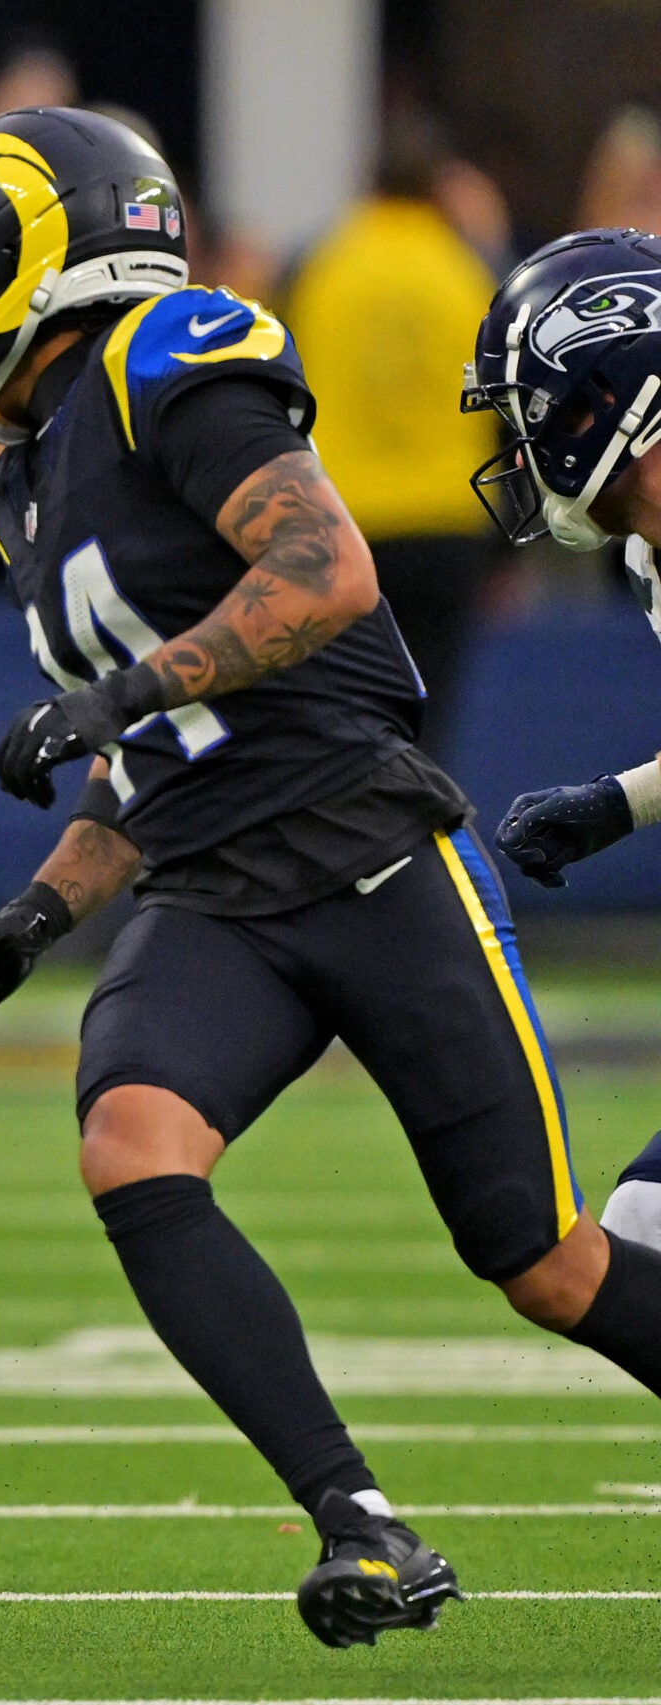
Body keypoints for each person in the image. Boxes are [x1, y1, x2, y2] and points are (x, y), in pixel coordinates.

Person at [0, 107, 661, 1649]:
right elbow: (153, 752)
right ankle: (359, 1520)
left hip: (363, 846)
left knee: (547, 1263)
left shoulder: (165, 357)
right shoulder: (29, 470)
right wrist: (34, 917)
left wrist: (117, 697)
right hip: (210, 886)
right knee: (132, 1147)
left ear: (21, 257)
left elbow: (325, 573)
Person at [467, 225, 661, 1252]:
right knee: (645, 1225)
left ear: (604, 394)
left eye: (531, 413)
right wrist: (620, 803)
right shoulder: (647, 555)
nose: (519, 449)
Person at [285, 112, 505, 745]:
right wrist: (507, 546)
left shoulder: (321, 265)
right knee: (426, 722)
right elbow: (504, 408)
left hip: (344, 523)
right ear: (439, 186)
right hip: (447, 525)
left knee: (345, 722)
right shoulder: (467, 270)